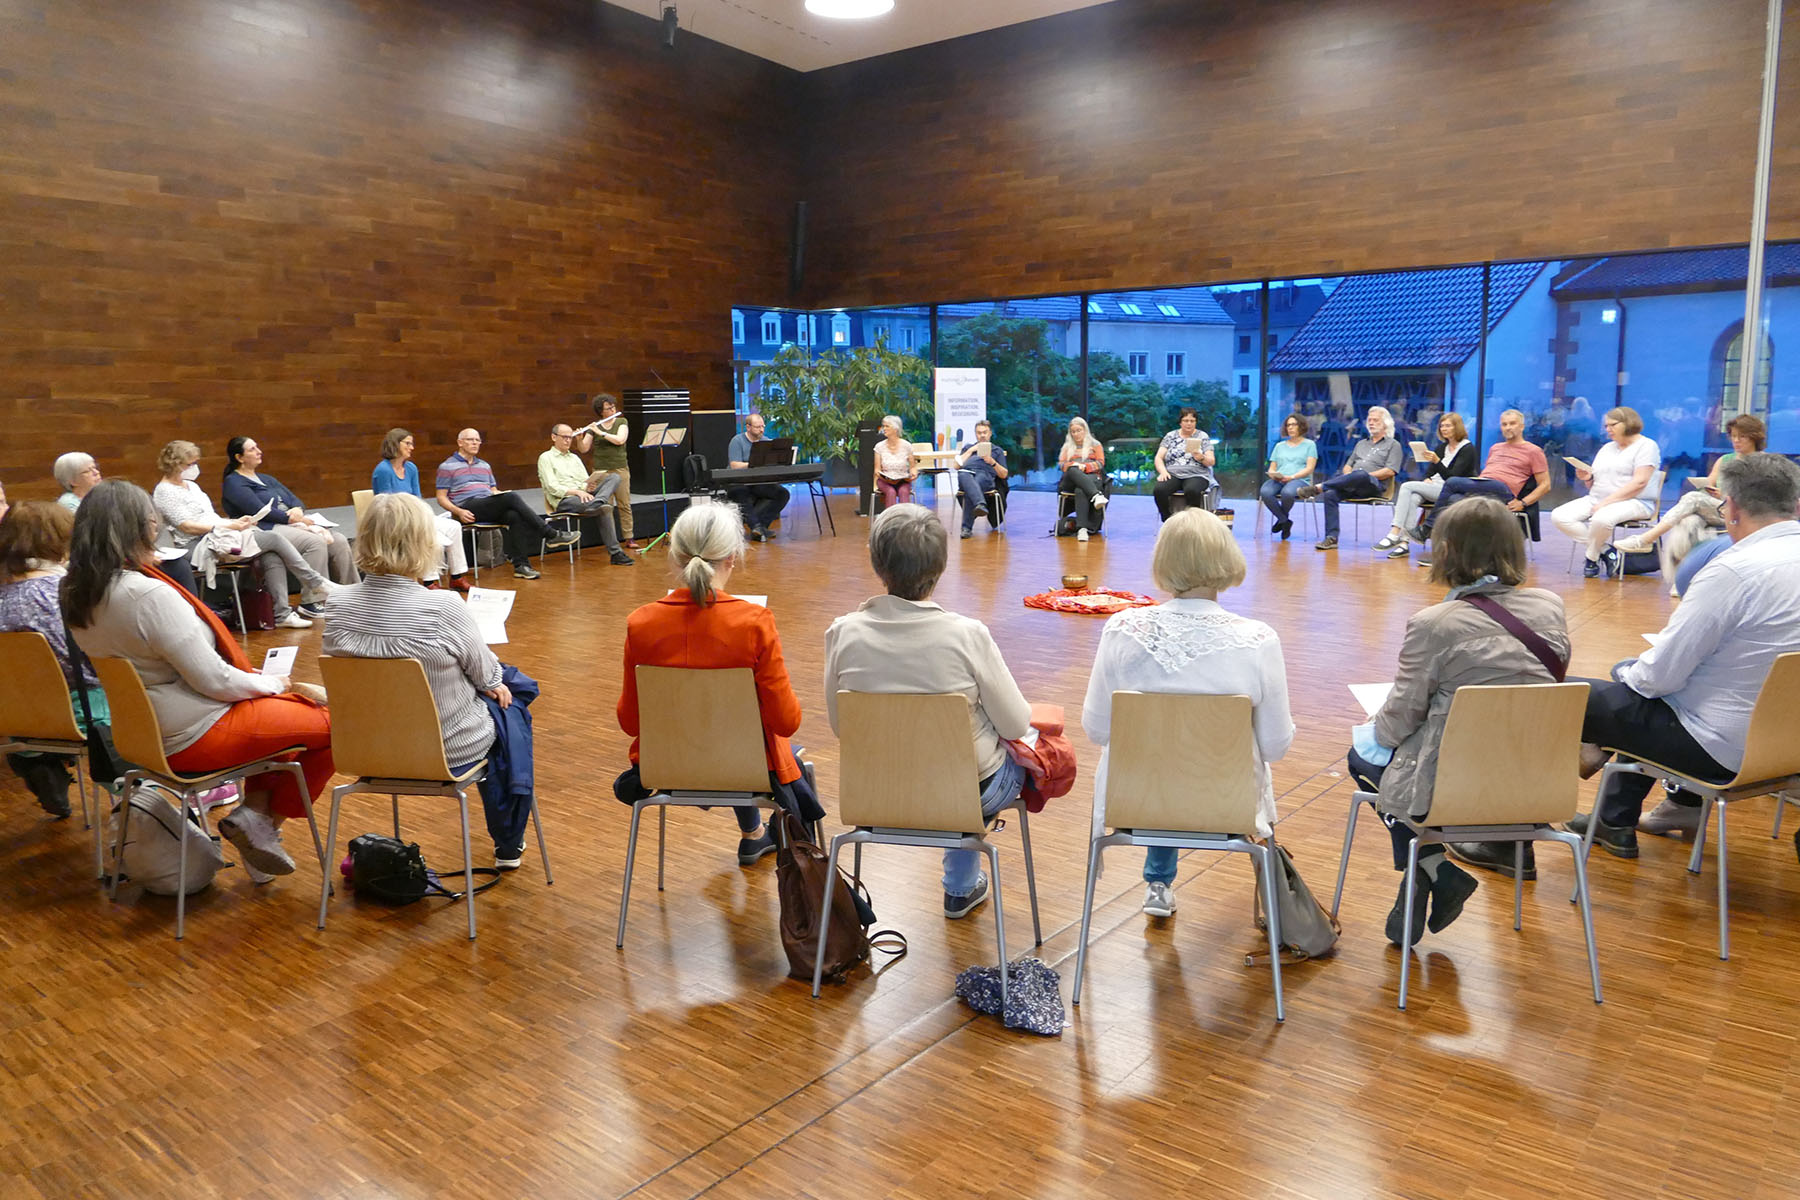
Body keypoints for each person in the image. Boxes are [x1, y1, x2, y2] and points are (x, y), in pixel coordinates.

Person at [64, 481, 335, 879]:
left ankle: (255, 817)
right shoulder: (147, 594)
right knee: (335, 724)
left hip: (143, 734)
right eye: (152, 521)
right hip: (194, 732)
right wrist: (271, 684)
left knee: (287, 726)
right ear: (139, 527)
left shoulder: (77, 592)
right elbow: (213, 680)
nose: (156, 527)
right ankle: (263, 821)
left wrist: (256, 685)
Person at [1346, 497, 1570, 934]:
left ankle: (1434, 866)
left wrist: (1377, 723)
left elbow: (1397, 723)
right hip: (1537, 782)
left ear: (1445, 550)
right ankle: (1432, 870)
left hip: (1454, 789)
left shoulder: (1435, 623)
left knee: (1363, 756)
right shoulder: (1550, 606)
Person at [1564, 454, 1800, 855]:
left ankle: (1511, 830)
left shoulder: (1733, 571)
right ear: (1795, 504)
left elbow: (1657, 678)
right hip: (1788, 748)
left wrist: (1627, 674)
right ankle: (1619, 818)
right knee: (1649, 697)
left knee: (1560, 692)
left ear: (1732, 508)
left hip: (1721, 751)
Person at [1082, 509, 1294, 917]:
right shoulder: (1258, 640)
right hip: (1227, 804)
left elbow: (1096, 729)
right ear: (1226, 557)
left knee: (1162, 762)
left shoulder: (1121, 630)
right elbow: (1275, 746)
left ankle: (1158, 882)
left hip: (1136, 801)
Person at [824, 504, 1032, 918]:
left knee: (953, 757)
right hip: (965, 794)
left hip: (874, 791)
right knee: (1001, 753)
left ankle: (961, 883)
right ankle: (960, 886)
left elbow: (840, 725)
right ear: (941, 565)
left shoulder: (842, 633)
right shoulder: (966, 634)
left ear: (876, 563)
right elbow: (1015, 723)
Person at [322, 494, 529, 868]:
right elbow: (487, 676)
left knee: (507, 691)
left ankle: (510, 838)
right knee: (512, 702)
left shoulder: (337, 604)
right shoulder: (444, 606)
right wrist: (496, 679)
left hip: (364, 749)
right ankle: (508, 840)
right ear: (422, 542)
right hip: (443, 751)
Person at [617, 502, 802, 864]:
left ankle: (753, 834)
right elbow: (787, 721)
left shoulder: (640, 623)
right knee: (784, 755)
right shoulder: (754, 622)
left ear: (675, 556)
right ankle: (789, 857)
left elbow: (630, 722)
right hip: (746, 769)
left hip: (667, 768)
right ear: (732, 557)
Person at [0, 502, 104, 818]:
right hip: (80, 714)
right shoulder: (65, 592)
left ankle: (34, 758)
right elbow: (88, 662)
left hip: (13, 716)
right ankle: (133, 791)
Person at [155, 439, 327, 628]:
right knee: (273, 538)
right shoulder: (164, 491)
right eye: (191, 464)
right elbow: (187, 526)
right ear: (176, 464)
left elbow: (209, 517)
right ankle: (314, 581)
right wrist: (226, 527)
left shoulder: (192, 486)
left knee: (271, 555)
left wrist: (234, 522)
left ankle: (282, 614)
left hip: (219, 535)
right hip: (196, 544)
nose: (195, 468)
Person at [1617, 414, 1766, 594]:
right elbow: (1709, 483)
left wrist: (1726, 496)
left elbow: (1762, 497)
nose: (1736, 440)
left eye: (1741, 436)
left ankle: (1644, 540)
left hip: (1741, 513)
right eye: (1733, 436)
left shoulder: (1763, 463)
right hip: (1717, 508)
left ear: (1754, 437)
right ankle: (1683, 579)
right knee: (1689, 522)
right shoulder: (1725, 460)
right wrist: (1709, 489)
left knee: (1692, 498)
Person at [221, 436, 359, 611]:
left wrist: (298, 510)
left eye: (257, 447)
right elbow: (258, 510)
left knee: (338, 540)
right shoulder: (234, 482)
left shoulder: (266, 479)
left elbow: (294, 499)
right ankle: (312, 601)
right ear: (239, 457)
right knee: (314, 542)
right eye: (252, 449)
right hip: (266, 528)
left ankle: (352, 594)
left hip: (291, 523)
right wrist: (291, 518)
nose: (259, 452)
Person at [434, 428, 580, 581]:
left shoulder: (484, 466)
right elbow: (441, 497)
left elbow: (493, 490)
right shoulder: (447, 466)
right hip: (466, 507)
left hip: (486, 504)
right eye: (471, 440)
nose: (475, 443)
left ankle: (521, 566)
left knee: (513, 515)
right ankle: (550, 534)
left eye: (478, 440)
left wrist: (501, 495)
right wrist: (458, 511)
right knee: (511, 497)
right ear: (460, 442)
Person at [1412, 409, 1552, 549]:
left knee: (1452, 482)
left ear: (1522, 426)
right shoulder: (1495, 448)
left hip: (1503, 490)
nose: (1508, 427)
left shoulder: (1533, 451)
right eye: (1504, 424)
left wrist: (1523, 502)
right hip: (1484, 486)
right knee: (1454, 499)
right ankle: (1455, 549)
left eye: (1512, 423)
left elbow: (1545, 485)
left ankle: (1427, 529)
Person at [1549, 405, 1661, 578]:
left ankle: (1591, 558)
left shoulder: (1647, 446)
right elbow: (1595, 484)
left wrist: (1606, 503)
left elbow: (1640, 482)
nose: (1608, 429)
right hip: (1597, 499)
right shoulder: (1607, 448)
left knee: (1601, 518)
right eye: (1606, 426)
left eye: (1612, 425)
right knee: (1559, 516)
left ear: (1628, 423)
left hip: (1634, 501)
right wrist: (1587, 478)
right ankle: (1607, 551)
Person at [371, 428, 472, 591]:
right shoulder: (383, 470)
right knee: (430, 536)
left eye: (412, 444)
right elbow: (386, 504)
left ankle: (457, 577)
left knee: (454, 526)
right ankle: (429, 581)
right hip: (394, 521)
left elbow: (417, 497)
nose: (412, 447)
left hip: (414, 515)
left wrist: (422, 515)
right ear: (395, 444)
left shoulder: (411, 468)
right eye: (408, 443)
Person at [1296, 406, 1404, 550]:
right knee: (1330, 494)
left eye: (1376, 420)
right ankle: (1331, 538)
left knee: (1361, 474)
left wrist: (1363, 476)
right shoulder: (1361, 443)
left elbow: (1390, 471)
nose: (1371, 423)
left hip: (1375, 486)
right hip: (1353, 485)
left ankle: (1318, 488)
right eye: (1369, 420)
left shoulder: (1393, 445)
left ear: (1386, 424)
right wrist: (1350, 477)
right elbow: (1348, 466)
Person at [1373, 412, 1477, 559]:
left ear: (1457, 427)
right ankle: (1404, 543)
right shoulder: (1442, 447)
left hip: (1450, 490)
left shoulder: (1467, 448)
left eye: (1448, 426)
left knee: (1407, 486)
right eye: (1442, 426)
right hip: (1434, 486)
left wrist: (1437, 461)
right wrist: (1427, 478)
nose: (1444, 429)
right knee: (1413, 497)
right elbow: (1431, 472)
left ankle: (1394, 532)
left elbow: (1452, 478)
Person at [536, 423, 635, 567]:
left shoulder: (574, 458)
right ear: (554, 437)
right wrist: (577, 491)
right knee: (605, 509)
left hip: (585, 497)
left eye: (570, 437)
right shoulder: (546, 458)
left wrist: (588, 486)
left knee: (614, 477)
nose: (568, 440)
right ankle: (616, 553)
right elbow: (552, 487)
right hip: (565, 499)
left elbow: (584, 481)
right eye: (564, 437)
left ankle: (598, 501)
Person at [579, 393, 637, 548]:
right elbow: (584, 448)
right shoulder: (594, 427)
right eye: (608, 408)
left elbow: (620, 440)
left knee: (624, 504)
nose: (612, 410)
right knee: (606, 507)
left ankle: (629, 537)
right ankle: (611, 541)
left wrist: (600, 433)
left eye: (613, 407)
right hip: (601, 472)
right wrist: (579, 438)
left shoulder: (621, 422)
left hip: (620, 469)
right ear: (601, 411)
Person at [725, 413, 790, 542]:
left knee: (782, 494)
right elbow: (734, 465)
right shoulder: (737, 441)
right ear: (748, 427)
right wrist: (753, 464)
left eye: (763, 426)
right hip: (738, 481)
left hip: (758, 481)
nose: (761, 430)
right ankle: (756, 526)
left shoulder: (766, 441)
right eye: (757, 427)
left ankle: (762, 527)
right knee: (741, 493)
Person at [1151, 408, 1217, 521]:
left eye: (1192, 421)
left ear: (1196, 422)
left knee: (1192, 490)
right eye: (1186, 420)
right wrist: (1163, 471)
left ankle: (1192, 521)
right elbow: (1159, 457)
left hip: (1196, 474)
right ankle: (1168, 519)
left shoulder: (1202, 436)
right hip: (1173, 473)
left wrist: (1202, 457)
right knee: (1159, 490)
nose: (1189, 423)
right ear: (1180, 422)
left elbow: (1211, 461)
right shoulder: (1170, 436)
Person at [1259, 414, 1317, 540]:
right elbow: (1272, 467)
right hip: (1280, 479)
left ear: (1301, 426)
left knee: (1287, 492)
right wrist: (1273, 474)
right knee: (1265, 491)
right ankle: (1284, 520)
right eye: (1288, 425)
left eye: (1294, 425)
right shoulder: (1279, 446)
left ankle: (1282, 520)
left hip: (1300, 479)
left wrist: (1292, 477)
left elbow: (1309, 468)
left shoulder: (1310, 445)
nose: (1290, 427)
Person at [955, 418, 1009, 538]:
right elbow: (956, 466)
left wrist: (992, 462)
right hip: (966, 474)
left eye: (985, 432)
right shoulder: (968, 448)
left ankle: (966, 528)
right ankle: (980, 504)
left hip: (985, 476)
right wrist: (971, 450)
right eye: (979, 433)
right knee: (963, 473)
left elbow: (1004, 474)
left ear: (990, 433)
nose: (982, 435)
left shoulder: (997, 450)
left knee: (971, 487)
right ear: (975, 434)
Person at [1058, 417, 1108, 543]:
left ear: (1085, 430)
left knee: (1080, 490)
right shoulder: (1067, 447)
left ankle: (1082, 529)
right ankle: (1096, 495)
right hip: (1070, 479)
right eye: (1073, 432)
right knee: (1072, 469)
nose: (1076, 434)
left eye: (1079, 430)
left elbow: (1100, 463)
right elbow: (1062, 465)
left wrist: (1085, 467)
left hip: (1092, 477)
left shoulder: (1096, 445)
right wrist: (1076, 466)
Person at [873, 415, 920, 509]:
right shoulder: (879, 446)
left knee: (903, 491)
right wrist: (884, 477)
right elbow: (877, 470)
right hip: (885, 481)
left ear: (895, 429)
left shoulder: (907, 446)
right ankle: (892, 517)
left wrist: (914, 473)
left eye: (887, 426)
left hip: (902, 480)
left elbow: (912, 467)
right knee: (891, 492)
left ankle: (905, 517)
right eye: (883, 426)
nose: (884, 429)